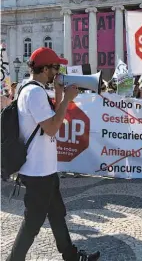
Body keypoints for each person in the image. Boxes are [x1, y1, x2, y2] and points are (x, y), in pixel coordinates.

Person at [7, 47, 100, 261]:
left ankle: (71, 256)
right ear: (45, 68)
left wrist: (59, 93)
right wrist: (68, 98)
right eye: (56, 67)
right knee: (32, 223)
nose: (58, 71)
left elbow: (53, 117)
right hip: (38, 171)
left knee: (57, 215)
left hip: (45, 169)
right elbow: (51, 128)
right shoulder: (35, 92)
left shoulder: (30, 88)